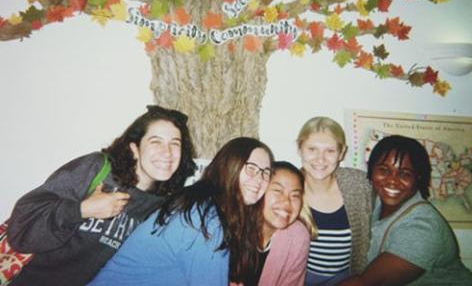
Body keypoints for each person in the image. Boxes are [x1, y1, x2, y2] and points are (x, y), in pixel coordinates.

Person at [6, 105, 196, 286]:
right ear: (135, 149)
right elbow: (21, 224)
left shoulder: (163, 206)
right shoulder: (97, 170)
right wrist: (82, 210)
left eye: (175, 144)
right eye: (156, 142)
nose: (167, 152)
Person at [89, 137, 274, 286]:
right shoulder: (205, 219)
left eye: (266, 172)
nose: (259, 179)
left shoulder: (203, 205)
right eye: (251, 168)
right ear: (229, 166)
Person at [339, 135, 472, 286]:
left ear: (418, 177)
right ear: (371, 170)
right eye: (384, 170)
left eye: (405, 173)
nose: (392, 180)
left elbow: (366, 283)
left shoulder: (423, 229)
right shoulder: (375, 202)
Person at [297, 117, 372, 285]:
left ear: (342, 152)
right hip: (300, 279)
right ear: (299, 148)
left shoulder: (359, 185)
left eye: (330, 151)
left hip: (347, 279)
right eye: (312, 149)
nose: (320, 159)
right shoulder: (288, 189)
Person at [255, 161, 312, 286]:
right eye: (277, 191)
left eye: (295, 195)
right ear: (260, 192)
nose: (286, 202)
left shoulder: (297, 237)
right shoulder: (233, 228)